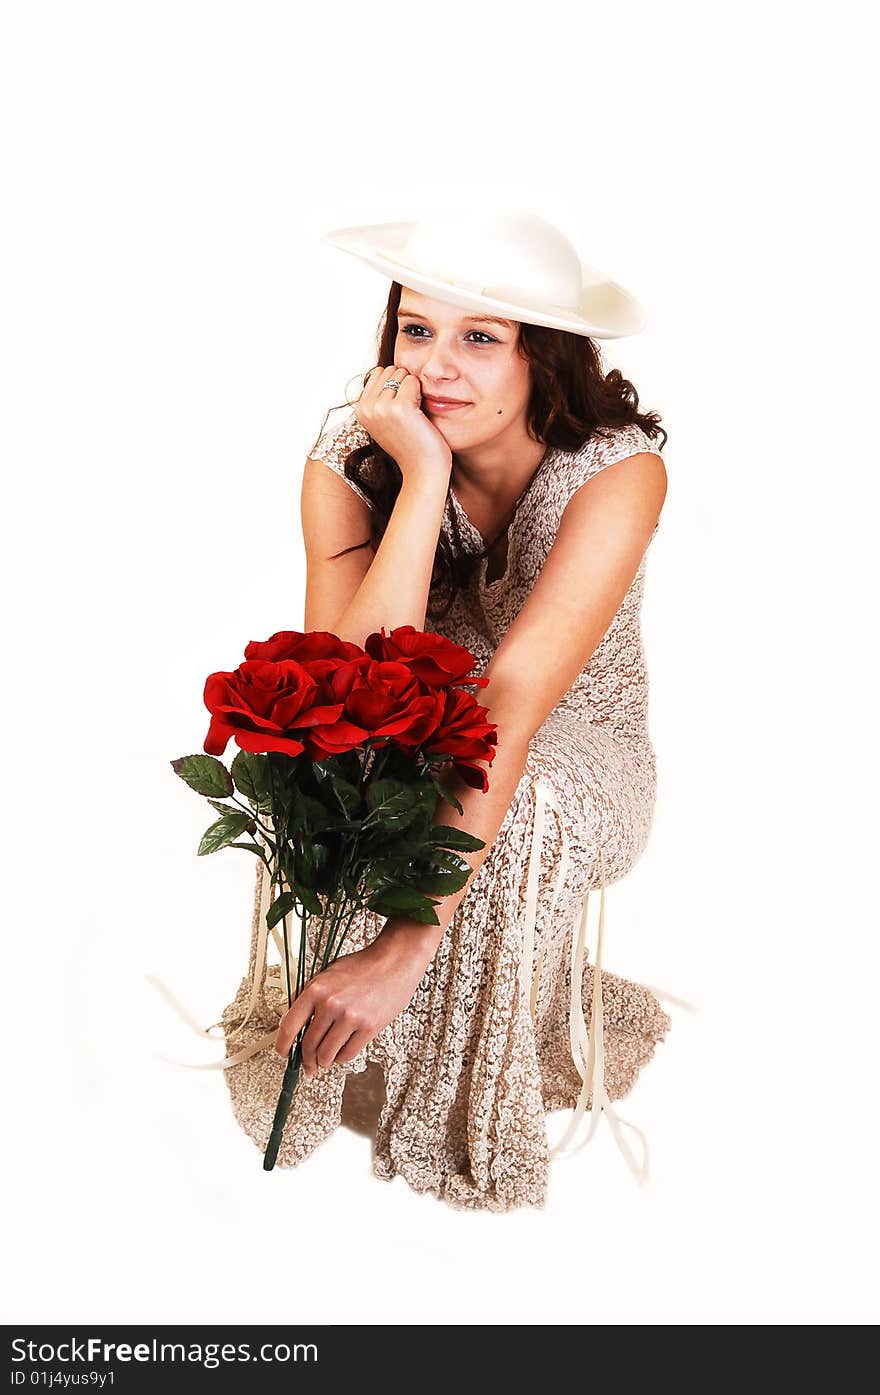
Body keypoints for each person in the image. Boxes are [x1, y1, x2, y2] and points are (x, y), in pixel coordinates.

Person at [221, 209, 684, 1212]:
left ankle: (451, 1061)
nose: (437, 365)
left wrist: (406, 940)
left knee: (514, 797)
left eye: (481, 337)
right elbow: (349, 679)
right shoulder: (351, 461)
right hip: (420, 722)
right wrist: (423, 476)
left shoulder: (617, 470)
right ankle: (327, 1040)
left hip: (577, 743)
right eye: (415, 330)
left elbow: (513, 701)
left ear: (544, 360)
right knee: (320, 767)